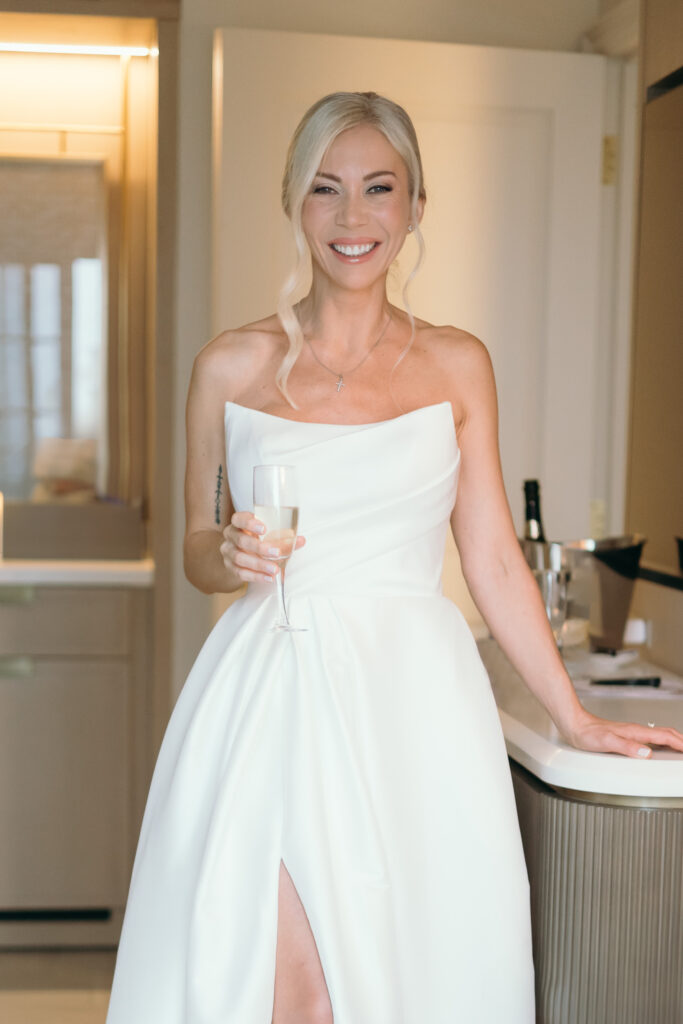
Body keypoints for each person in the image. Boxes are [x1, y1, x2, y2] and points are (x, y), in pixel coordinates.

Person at [106, 91, 683, 1024]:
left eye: (379, 189)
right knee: (287, 989)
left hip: (416, 708)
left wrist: (573, 719)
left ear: (416, 206)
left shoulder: (457, 366)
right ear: (294, 202)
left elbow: (490, 555)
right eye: (326, 189)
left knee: (407, 976)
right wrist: (232, 550)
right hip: (270, 697)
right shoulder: (228, 367)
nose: (352, 217)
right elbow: (195, 552)